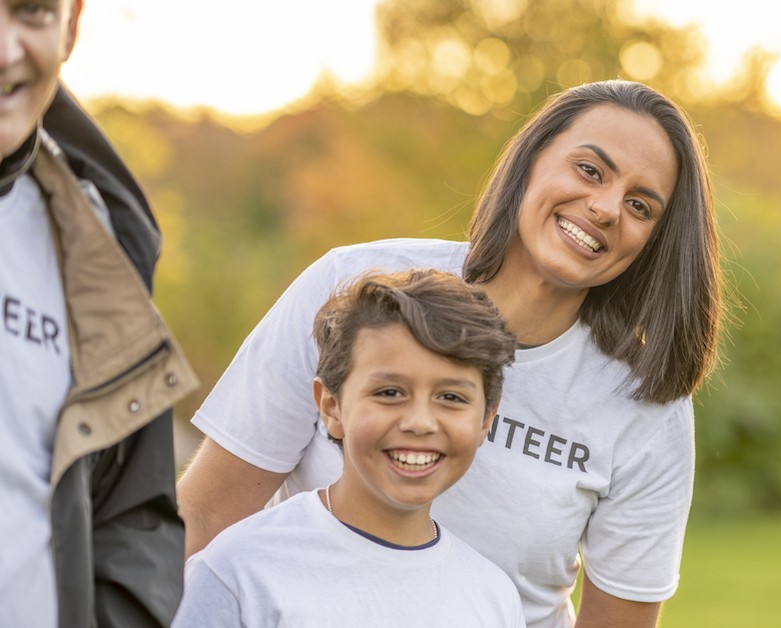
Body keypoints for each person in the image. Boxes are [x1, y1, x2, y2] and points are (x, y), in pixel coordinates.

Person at [177, 79, 723, 628]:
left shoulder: (643, 404)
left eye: (640, 205)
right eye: (589, 170)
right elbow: (206, 515)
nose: (605, 208)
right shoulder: (355, 288)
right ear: (531, 161)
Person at [173, 269, 523, 627]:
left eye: (451, 397)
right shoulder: (239, 572)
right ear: (330, 407)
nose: (420, 422)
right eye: (390, 392)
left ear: (485, 419)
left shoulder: (493, 598)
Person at [0, 1, 198, 627]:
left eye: (30, 11)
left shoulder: (98, 252)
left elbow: (133, 522)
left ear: (72, 26)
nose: (5, 50)